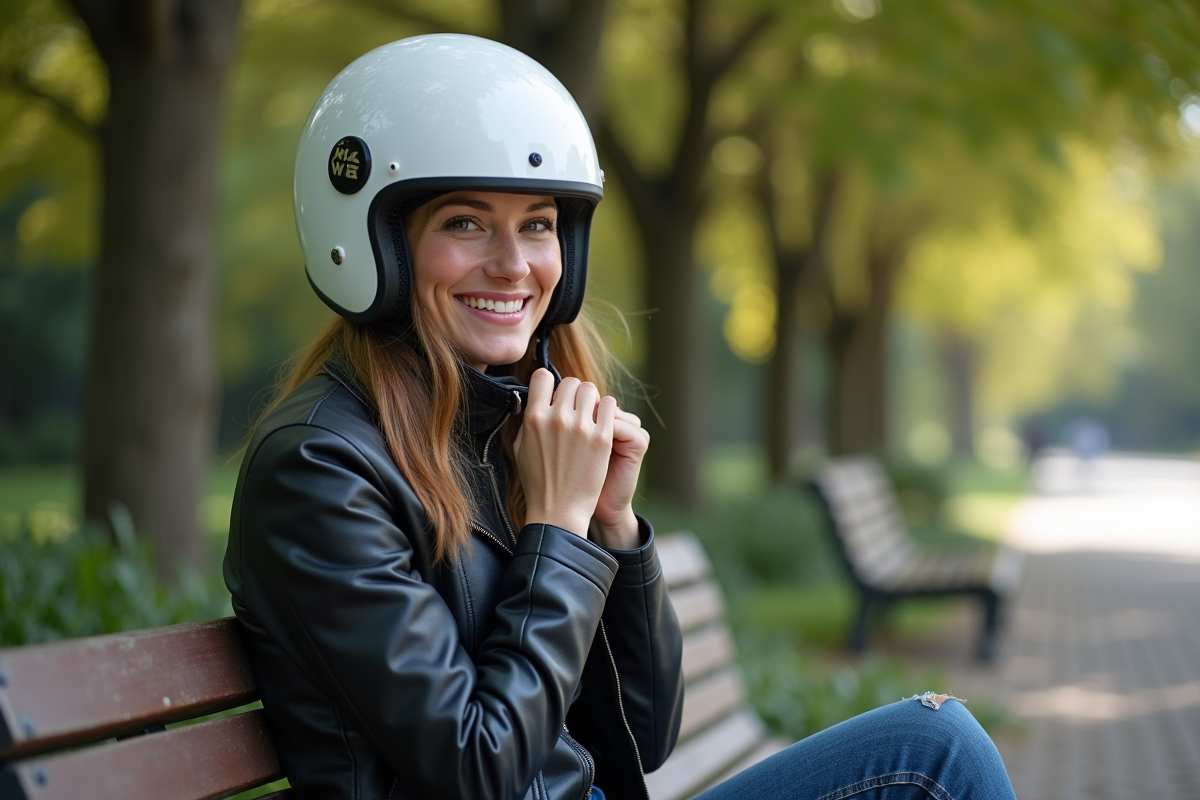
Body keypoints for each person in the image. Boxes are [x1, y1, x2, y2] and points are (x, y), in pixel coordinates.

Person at [225, 34, 1018, 800]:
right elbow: (478, 769)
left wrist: (611, 528)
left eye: (538, 224)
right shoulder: (321, 468)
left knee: (937, 743)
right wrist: (558, 530)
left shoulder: (507, 426)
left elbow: (645, 733)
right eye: (465, 223)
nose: (514, 264)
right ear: (376, 243)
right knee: (937, 758)